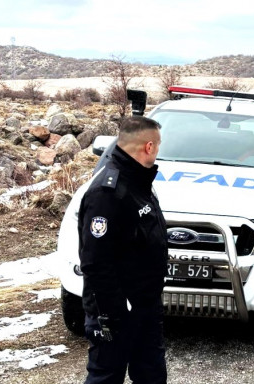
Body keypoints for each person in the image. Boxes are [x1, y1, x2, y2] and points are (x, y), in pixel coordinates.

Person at [78, 116, 168, 384]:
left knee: (152, 375)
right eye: (159, 145)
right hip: (117, 312)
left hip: (144, 306)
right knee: (106, 377)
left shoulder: (138, 182)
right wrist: (115, 313)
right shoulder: (107, 193)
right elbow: (95, 262)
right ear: (149, 147)